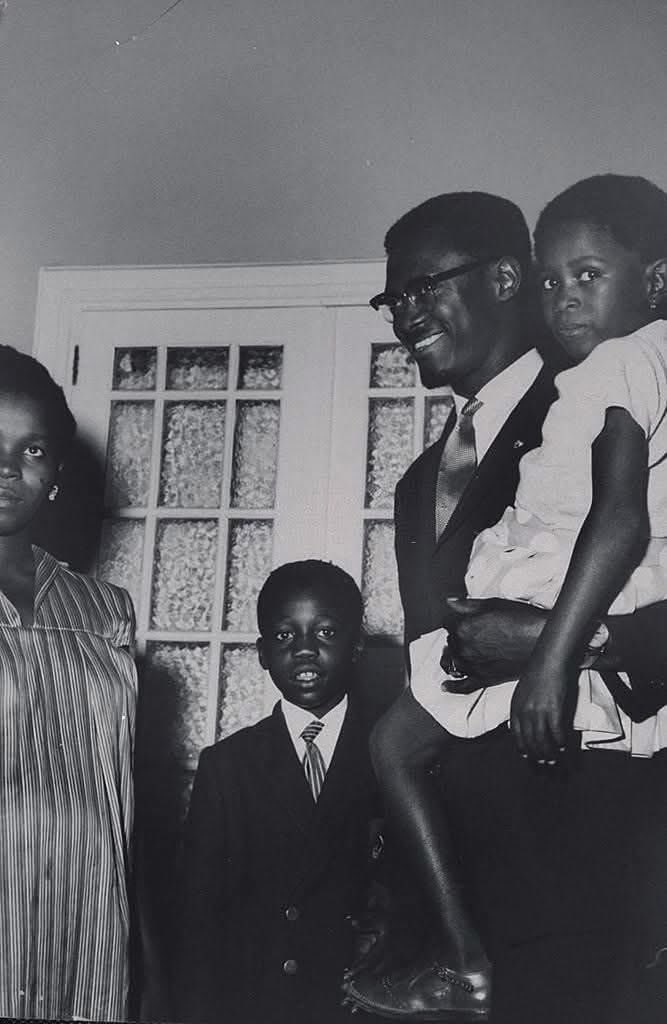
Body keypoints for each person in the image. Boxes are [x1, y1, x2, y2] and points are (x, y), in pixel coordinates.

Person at [343, 184, 667, 1024]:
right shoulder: (417, 484)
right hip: (477, 909)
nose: (404, 314)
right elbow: (439, 698)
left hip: (606, 861)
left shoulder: (624, 375)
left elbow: (623, 535)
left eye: (424, 287)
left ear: (502, 278)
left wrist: (566, 645)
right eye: (392, 298)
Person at [174, 559, 382, 1024]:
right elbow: (198, 923)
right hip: (262, 1003)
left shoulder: (393, 752)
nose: (305, 651)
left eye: (326, 633)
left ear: (358, 646)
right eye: (285, 636)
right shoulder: (228, 766)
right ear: (263, 652)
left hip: (364, 1002)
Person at [0, 345, 137, 1020]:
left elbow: (114, 794)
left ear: (54, 472)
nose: (6, 468)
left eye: (31, 450)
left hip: (83, 931)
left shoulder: (105, 610)